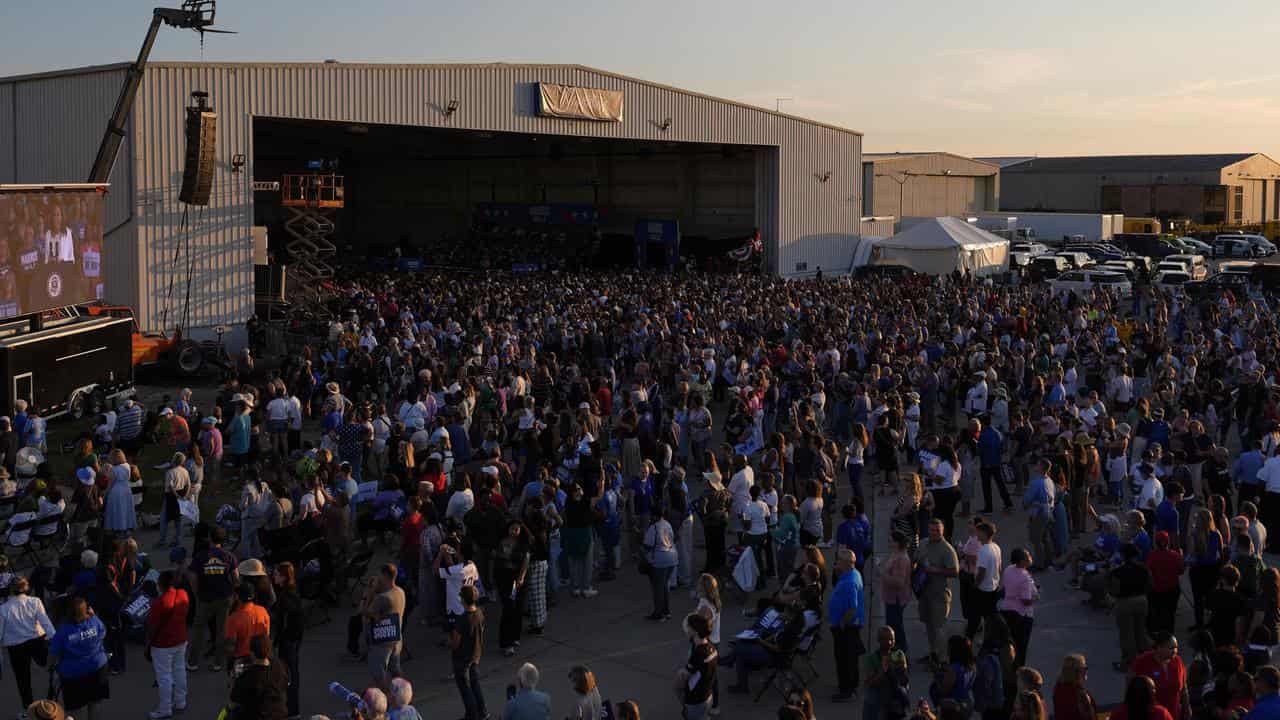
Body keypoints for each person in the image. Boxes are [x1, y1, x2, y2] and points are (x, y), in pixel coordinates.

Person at [0, 576, 55, 712]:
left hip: (16, 647)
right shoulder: (35, 601)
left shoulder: (3, 609)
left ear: (11, 590)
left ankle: (29, 711)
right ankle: (52, 702)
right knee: (52, 668)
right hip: (37, 640)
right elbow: (47, 624)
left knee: (23, 680)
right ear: (26, 588)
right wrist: (54, 640)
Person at [49, 596, 110, 720]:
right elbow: (103, 633)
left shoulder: (63, 631)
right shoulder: (94, 621)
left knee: (74, 709)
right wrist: (93, 617)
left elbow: (53, 653)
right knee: (95, 702)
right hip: (98, 668)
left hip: (73, 675)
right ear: (86, 610)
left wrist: (49, 666)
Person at [188, 526, 239, 673]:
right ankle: (218, 663)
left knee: (198, 629)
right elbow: (236, 578)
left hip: (205, 598)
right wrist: (234, 593)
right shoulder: (229, 556)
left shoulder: (201, 556)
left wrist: (196, 592)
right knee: (221, 630)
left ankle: (193, 662)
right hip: (225, 597)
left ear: (210, 538)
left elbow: (192, 575)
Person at [144, 569, 190, 720]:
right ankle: (180, 701)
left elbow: (151, 625)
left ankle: (164, 708)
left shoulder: (160, 602)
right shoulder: (183, 594)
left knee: (164, 676)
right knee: (179, 670)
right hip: (181, 639)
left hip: (163, 644)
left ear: (161, 584)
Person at [916, 518, 959, 667]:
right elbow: (915, 560)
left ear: (942, 531)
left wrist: (936, 570)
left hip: (940, 593)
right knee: (928, 624)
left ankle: (943, 660)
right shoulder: (923, 544)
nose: (934, 533)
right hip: (924, 592)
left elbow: (955, 572)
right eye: (932, 530)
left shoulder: (947, 549)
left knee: (938, 627)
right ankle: (933, 654)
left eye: (937, 531)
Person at [360, 563, 406, 690]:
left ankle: (387, 699)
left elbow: (364, 612)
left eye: (379, 574)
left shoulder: (382, 598)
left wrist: (370, 592)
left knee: (379, 674)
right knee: (396, 670)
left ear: (385, 576)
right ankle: (403, 694)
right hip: (396, 638)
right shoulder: (400, 592)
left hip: (381, 642)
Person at [829, 547, 866, 702]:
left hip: (846, 628)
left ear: (845, 563)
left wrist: (842, 623)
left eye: (838, 560)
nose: (836, 562)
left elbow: (852, 607)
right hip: (848, 626)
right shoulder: (853, 574)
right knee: (849, 658)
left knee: (845, 659)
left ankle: (846, 689)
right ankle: (851, 685)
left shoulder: (850, 582)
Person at [1112, 543, 1154, 672]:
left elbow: (1113, 590)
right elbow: (1150, 585)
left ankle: (1128, 663)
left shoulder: (1117, 571)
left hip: (1124, 602)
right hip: (1141, 601)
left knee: (1126, 635)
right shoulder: (1144, 570)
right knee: (1141, 631)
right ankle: (1146, 660)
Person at [271, 562, 304, 720]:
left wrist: (279, 637)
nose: (274, 576)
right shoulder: (291, 592)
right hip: (294, 639)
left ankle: (292, 709)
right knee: (291, 673)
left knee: (289, 675)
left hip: (288, 640)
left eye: (277, 574)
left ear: (283, 577)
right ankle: (291, 708)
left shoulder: (286, 596)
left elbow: (287, 619)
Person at [1129, 632, 1188, 720]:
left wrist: (1187, 707)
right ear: (1159, 647)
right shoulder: (1142, 661)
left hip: (1175, 714)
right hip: (1152, 716)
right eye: (1171, 648)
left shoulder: (1178, 661)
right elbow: (1131, 686)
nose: (1175, 651)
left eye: (1176, 647)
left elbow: (1183, 687)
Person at [228, 635, 289, 720]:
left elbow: (232, 703)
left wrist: (233, 680)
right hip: (280, 714)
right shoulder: (279, 665)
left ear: (252, 654)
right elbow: (286, 684)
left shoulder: (248, 677)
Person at [451, 585, 487, 720]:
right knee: (475, 684)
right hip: (475, 656)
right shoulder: (479, 613)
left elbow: (456, 642)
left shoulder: (462, 619)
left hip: (462, 659)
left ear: (463, 600)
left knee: (466, 689)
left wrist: (450, 643)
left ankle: (472, 715)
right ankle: (482, 712)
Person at [997, 548, 1037, 669]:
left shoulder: (1009, 569)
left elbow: (1004, 588)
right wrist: (1035, 597)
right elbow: (1026, 601)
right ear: (1022, 561)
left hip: (1006, 610)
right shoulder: (1024, 577)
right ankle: (1018, 669)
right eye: (1027, 556)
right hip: (1021, 616)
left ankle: (1006, 666)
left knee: (1009, 643)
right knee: (1021, 646)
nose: (1030, 557)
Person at [861, 626, 907, 720]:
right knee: (870, 700)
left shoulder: (899, 654)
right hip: (878, 689)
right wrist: (883, 669)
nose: (889, 642)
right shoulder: (872, 658)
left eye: (891, 639)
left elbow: (904, 679)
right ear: (878, 640)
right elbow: (871, 682)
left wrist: (898, 669)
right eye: (885, 639)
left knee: (901, 696)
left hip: (894, 688)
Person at [678, 613, 717, 720]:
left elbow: (683, 678)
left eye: (688, 627)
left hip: (696, 701)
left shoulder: (699, 653)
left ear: (694, 631)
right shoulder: (711, 647)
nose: (686, 629)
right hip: (707, 696)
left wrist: (680, 676)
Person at [225, 583, 271, 673]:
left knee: (239, 684)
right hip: (260, 658)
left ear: (238, 597)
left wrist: (230, 663)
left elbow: (231, 645)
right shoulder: (263, 611)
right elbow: (267, 635)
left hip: (242, 659)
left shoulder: (234, 618)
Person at [642, 507, 678, 621]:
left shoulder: (654, 527)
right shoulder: (667, 524)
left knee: (658, 588)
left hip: (659, 561)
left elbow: (647, 545)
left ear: (655, 516)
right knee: (665, 586)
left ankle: (658, 614)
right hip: (672, 558)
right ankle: (666, 611)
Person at [1110, 675, 1174, 720]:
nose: (1155, 691)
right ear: (1149, 693)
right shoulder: (1160, 713)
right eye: (1153, 688)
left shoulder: (1118, 713)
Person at [1053, 654, 1097, 720]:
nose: (1086, 670)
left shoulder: (1059, 691)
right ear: (1075, 671)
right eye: (1084, 668)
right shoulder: (1079, 693)